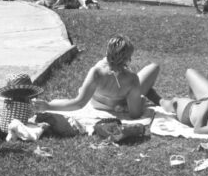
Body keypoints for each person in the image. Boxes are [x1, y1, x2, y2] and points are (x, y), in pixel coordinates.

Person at [31, 35, 160, 119]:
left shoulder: (97, 72)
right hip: (122, 102)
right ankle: (154, 96)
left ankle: (149, 95)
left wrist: (48, 106)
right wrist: (142, 102)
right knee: (154, 67)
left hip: (97, 104)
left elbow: (79, 103)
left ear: (107, 52)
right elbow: (135, 114)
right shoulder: (132, 79)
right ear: (128, 58)